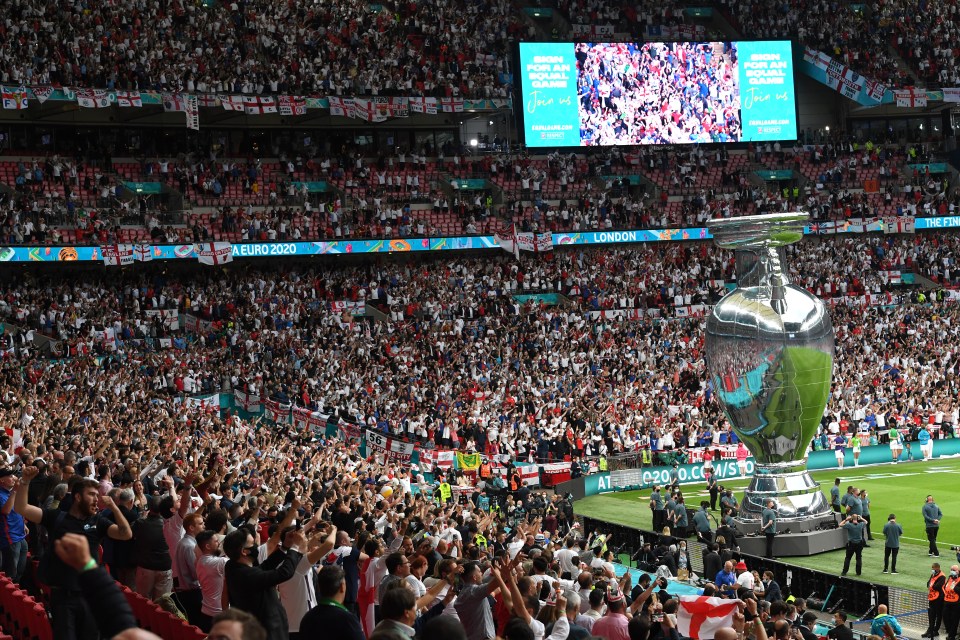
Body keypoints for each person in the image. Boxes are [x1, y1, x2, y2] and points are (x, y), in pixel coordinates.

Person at [14, 467, 133, 640]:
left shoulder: (98, 522)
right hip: (64, 597)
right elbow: (22, 508)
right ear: (77, 497)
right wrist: (25, 481)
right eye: (91, 495)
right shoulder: (57, 517)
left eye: (97, 496)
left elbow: (125, 534)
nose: (96, 499)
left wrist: (114, 507)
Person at [223, 525, 306, 640]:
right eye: (252, 543)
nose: (256, 545)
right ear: (244, 552)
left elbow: (263, 568)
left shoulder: (233, 566)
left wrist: (285, 547)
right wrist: (295, 547)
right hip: (268, 633)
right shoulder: (246, 575)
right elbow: (285, 572)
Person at [0, 467, 28, 584]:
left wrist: (24, 525)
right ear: (2, 480)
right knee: (11, 573)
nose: (13, 478)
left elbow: (16, 509)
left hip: (20, 535)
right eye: (10, 476)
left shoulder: (10, 492)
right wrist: (15, 491)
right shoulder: (2, 494)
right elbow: (6, 511)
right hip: (10, 537)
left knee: (20, 570)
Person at [927, 562, 947, 638]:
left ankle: (935, 631)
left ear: (937, 568)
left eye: (933, 568)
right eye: (932, 568)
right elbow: (928, 583)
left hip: (939, 599)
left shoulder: (942, 576)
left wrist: (931, 585)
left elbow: (937, 587)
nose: (932, 570)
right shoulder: (933, 575)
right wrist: (931, 585)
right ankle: (930, 630)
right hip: (932, 597)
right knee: (932, 615)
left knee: (938, 615)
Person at [943, 564, 960, 640]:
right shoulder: (950, 577)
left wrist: (955, 587)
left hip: (956, 603)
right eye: (951, 570)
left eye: (954, 570)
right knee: (946, 617)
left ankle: (951, 635)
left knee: (954, 620)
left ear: (958, 571)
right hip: (947, 602)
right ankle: (950, 632)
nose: (952, 571)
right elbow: (945, 587)